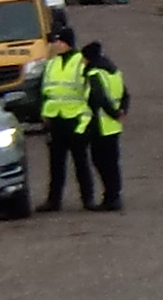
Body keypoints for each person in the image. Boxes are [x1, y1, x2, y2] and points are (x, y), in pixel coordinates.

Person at [33, 26, 91, 212]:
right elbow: (44, 90)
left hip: (75, 118)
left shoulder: (80, 62)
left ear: (67, 43)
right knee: (56, 164)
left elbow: (87, 91)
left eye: (59, 41)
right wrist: (43, 112)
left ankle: (87, 199)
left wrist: (85, 119)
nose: (55, 44)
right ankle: (54, 200)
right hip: (55, 119)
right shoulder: (51, 63)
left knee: (80, 162)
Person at [78, 40, 128, 211]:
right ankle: (115, 196)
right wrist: (121, 112)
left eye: (84, 58)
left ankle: (110, 198)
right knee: (113, 163)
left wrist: (113, 113)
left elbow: (99, 98)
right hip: (114, 126)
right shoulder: (114, 71)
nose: (82, 61)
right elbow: (126, 94)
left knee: (101, 162)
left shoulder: (94, 73)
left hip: (100, 125)